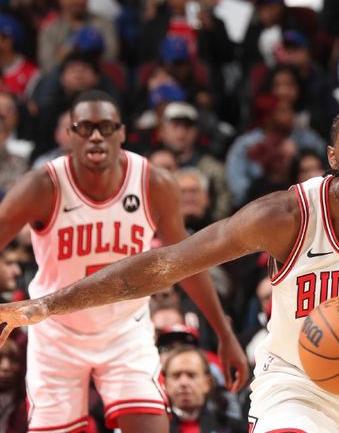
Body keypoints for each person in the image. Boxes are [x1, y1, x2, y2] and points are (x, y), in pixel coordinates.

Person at [0, 102, 339, 433]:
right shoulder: (285, 216)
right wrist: (46, 304)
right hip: (297, 382)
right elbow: (164, 264)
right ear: (331, 156)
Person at [0, 90, 247, 432]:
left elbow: (186, 263)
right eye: (85, 128)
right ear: (69, 134)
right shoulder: (42, 186)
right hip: (57, 332)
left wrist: (225, 332)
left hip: (124, 330)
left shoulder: (153, 183)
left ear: (122, 132)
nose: (96, 136)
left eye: (105, 126)